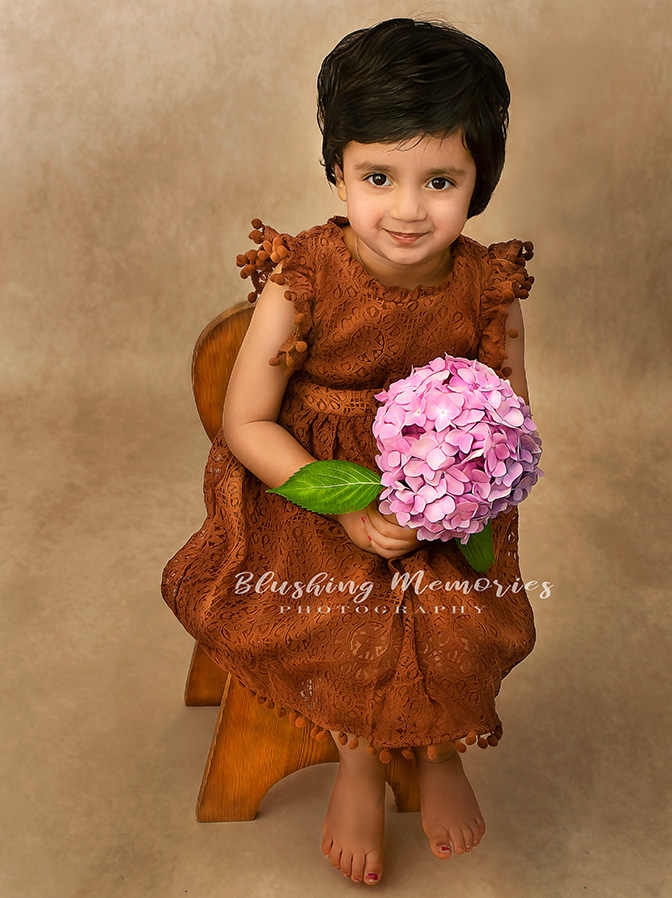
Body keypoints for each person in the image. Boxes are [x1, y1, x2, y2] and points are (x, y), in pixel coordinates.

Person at [162, 17, 538, 887]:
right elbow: (246, 424)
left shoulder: (488, 291)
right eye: (378, 176)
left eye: (439, 180)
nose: (407, 209)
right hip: (311, 500)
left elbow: (510, 418)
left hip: (440, 508)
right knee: (349, 615)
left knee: (460, 616)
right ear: (338, 169)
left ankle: (440, 753)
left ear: (479, 183)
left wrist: (466, 488)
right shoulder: (304, 281)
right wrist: (352, 509)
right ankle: (362, 764)